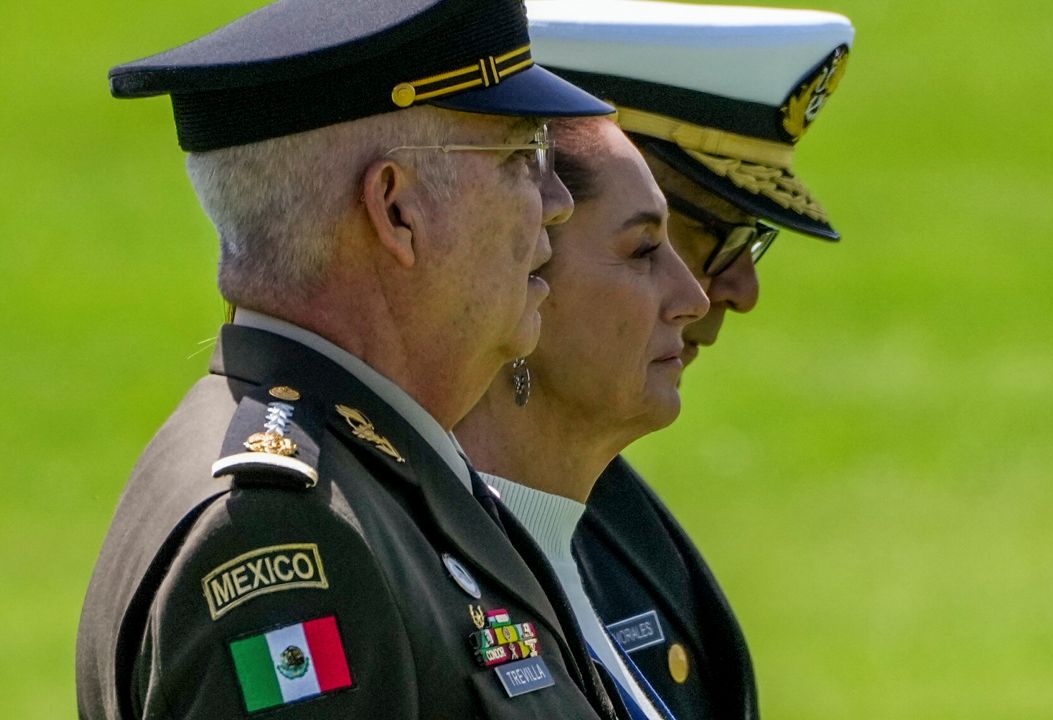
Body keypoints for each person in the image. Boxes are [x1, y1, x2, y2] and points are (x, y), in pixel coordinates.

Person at [74, 0, 628, 718]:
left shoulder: (371, 471)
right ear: (396, 209)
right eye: (521, 156)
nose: (556, 202)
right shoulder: (282, 537)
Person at [525, 2, 856, 718]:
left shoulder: (610, 518)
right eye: (655, 240)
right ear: (530, 215)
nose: (735, 291)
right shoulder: (362, 530)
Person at [454, 116, 709, 720]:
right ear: (520, 283)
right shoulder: (436, 579)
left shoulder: (559, 553)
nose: (693, 298)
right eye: (644, 250)